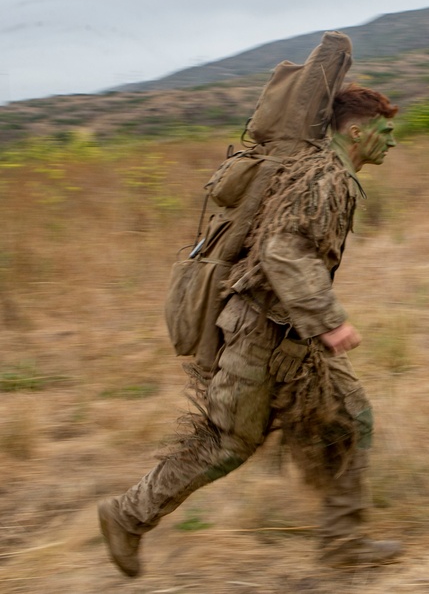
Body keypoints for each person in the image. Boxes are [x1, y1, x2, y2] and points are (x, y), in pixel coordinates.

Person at [98, 79, 402, 578]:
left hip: (293, 338)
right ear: (355, 131)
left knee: (353, 419)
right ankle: (127, 515)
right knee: (228, 443)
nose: (392, 141)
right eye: (384, 131)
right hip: (260, 336)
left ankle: (344, 542)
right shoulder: (324, 177)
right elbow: (282, 250)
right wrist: (331, 322)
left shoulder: (328, 173)